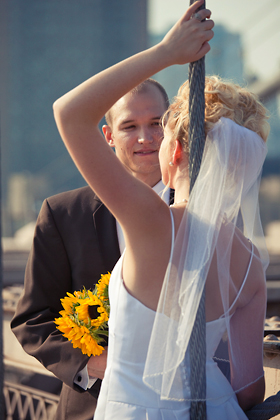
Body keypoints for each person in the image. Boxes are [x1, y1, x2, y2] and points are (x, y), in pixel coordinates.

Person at [53, 0, 269, 418]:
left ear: (176, 153)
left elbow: (69, 113)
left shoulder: (149, 221)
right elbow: (249, 391)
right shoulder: (251, 263)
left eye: (164, 132)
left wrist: (167, 53)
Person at [11, 77, 172, 420]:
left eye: (156, 123)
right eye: (129, 126)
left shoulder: (203, 214)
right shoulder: (63, 214)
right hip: (92, 408)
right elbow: (32, 320)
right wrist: (93, 364)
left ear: (172, 126)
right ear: (108, 137)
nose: (145, 137)